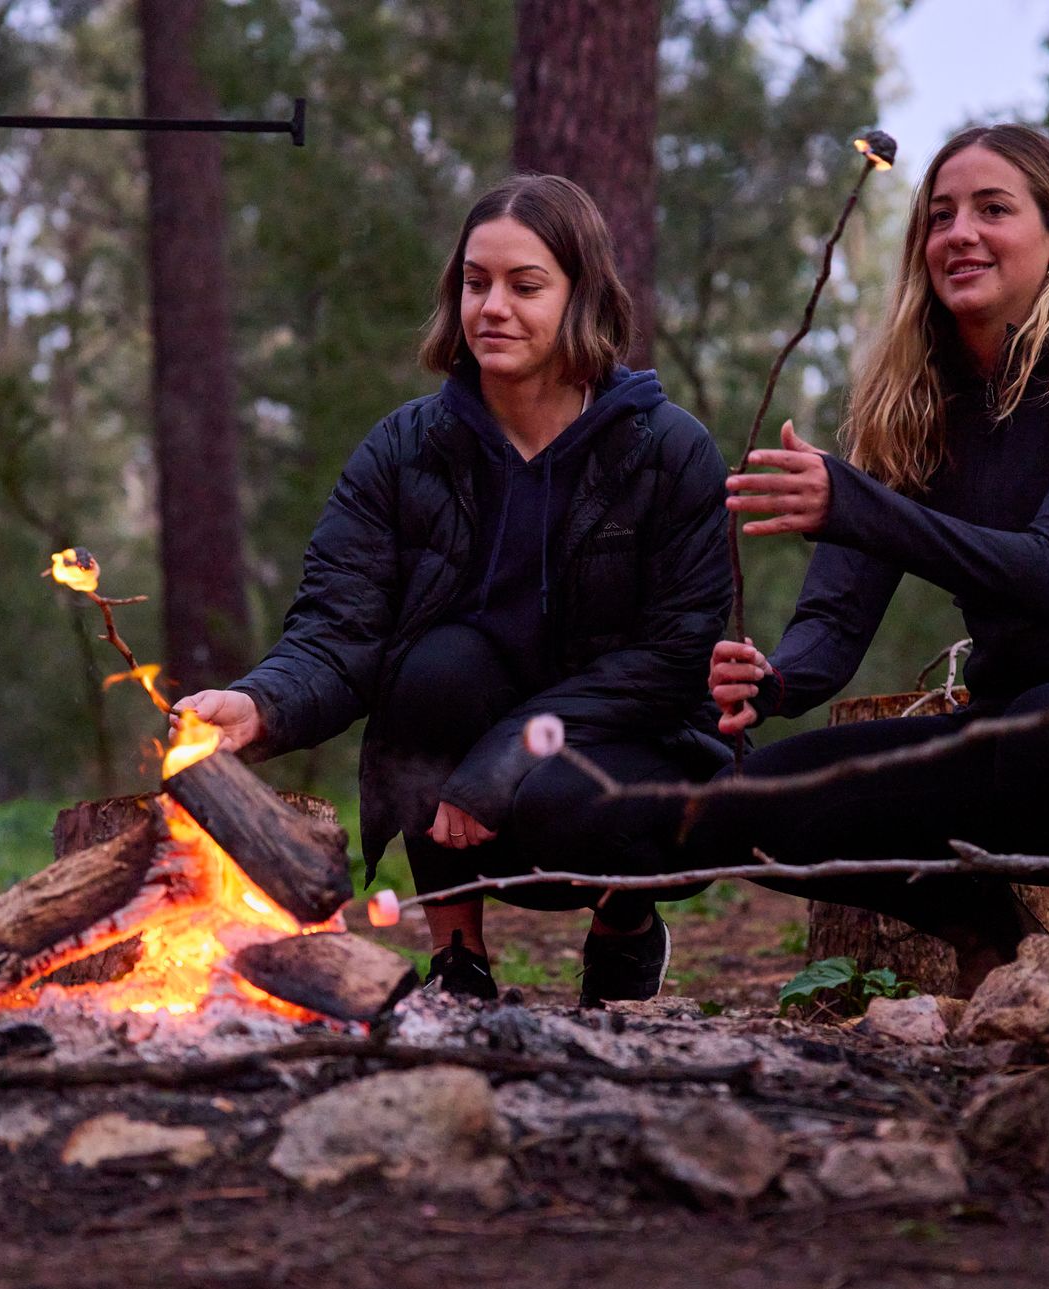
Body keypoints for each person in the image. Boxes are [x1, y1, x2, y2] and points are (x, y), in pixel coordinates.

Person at [694, 125, 1049, 991]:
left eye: (994, 210)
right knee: (740, 808)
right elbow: (836, 621)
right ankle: (1001, 945)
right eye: (940, 215)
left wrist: (858, 507)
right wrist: (776, 680)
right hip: (1014, 727)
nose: (961, 233)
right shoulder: (913, 402)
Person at [172, 175, 730, 1004]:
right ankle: (459, 956)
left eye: (525, 285)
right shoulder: (404, 450)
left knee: (589, 805)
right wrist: (262, 704)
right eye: (476, 284)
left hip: (623, 741)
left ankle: (624, 926)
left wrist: (509, 753)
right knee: (434, 668)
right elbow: (339, 624)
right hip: (469, 730)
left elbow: (677, 655)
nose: (493, 307)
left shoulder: (669, 450)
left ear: (582, 294)